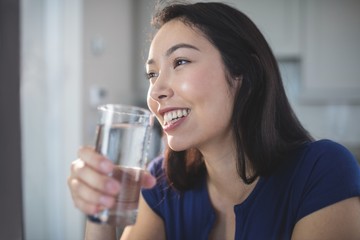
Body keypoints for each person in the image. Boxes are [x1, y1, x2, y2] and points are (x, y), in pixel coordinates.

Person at [68, 1, 360, 239]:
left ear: (243, 74)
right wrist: (100, 211)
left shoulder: (322, 170)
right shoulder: (159, 183)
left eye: (180, 62)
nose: (155, 91)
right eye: (152, 74)